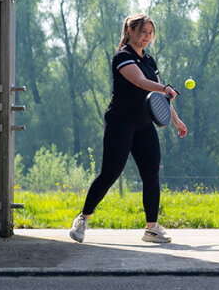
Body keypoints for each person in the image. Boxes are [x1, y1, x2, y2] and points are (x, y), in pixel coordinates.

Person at [69, 13, 187, 243]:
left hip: (144, 124)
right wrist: (165, 87)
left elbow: (158, 96)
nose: (147, 37)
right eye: (143, 32)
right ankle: (83, 218)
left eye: (150, 33)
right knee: (111, 173)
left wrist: (176, 120)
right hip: (120, 123)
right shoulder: (122, 56)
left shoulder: (150, 61)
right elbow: (141, 82)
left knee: (151, 174)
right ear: (129, 31)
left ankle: (151, 228)